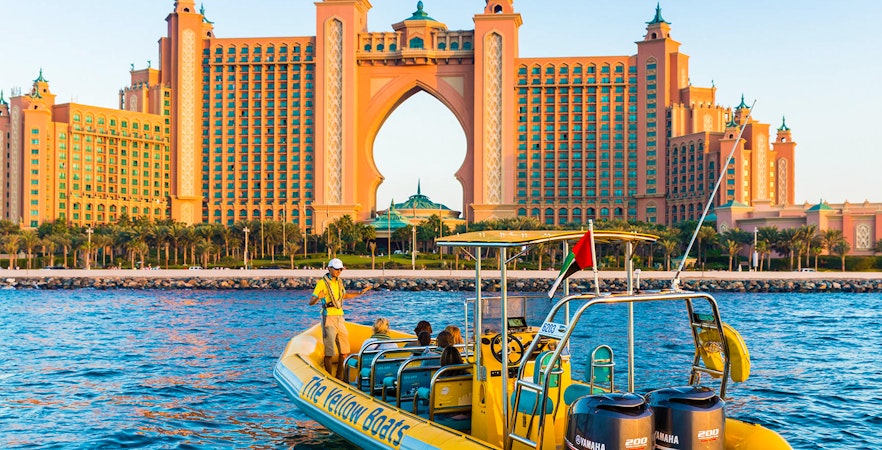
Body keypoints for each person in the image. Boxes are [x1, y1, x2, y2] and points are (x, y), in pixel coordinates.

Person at [309, 258, 371, 379]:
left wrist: (359, 293)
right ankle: (329, 377)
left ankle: (339, 376)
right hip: (328, 317)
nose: (338, 271)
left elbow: (344, 296)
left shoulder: (339, 282)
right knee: (329, 351)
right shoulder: (322, 283)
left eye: (340, 269)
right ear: (329, 268)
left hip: (340, 317)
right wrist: (318, 298)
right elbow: (311, 301)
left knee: (344, 351)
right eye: (336, 269)